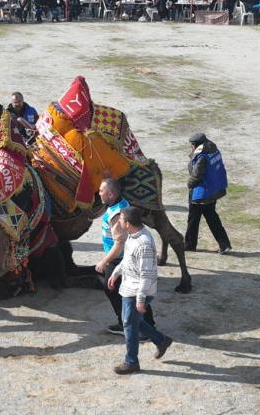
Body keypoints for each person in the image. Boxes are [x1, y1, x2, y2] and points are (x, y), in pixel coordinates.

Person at [108, 206, 174, 375]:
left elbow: (146, 274)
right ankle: (161, 340)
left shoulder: (143, 243)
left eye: (121, 219)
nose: (119, 221)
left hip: (137, 290)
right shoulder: (132, 236)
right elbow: (128, 260)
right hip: (129, 287)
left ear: (128, 223)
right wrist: (116, 273)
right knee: (132, 322)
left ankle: (131, 362)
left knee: (129, 324)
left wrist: (140, 299)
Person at [95, 179, 156, 336]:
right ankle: (136, 324)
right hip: (120, 258)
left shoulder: (117, 214)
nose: (99, 193)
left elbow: (119, 243)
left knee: (118, 290)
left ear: (111, 194)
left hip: (118, 259)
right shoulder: (119, 204)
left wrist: (104, 261)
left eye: (102, 191)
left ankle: (141, 328)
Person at [184, 133, 232, 254]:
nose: (190, 147)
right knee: (212, 218)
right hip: (213, 191)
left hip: (200, 194)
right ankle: (224, 244)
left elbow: (196, 175)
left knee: (193, 220)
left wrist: (189, 185)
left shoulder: (201, 157)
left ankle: (190, 245)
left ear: (196, 145)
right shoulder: (213, 151)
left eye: (191, 145)